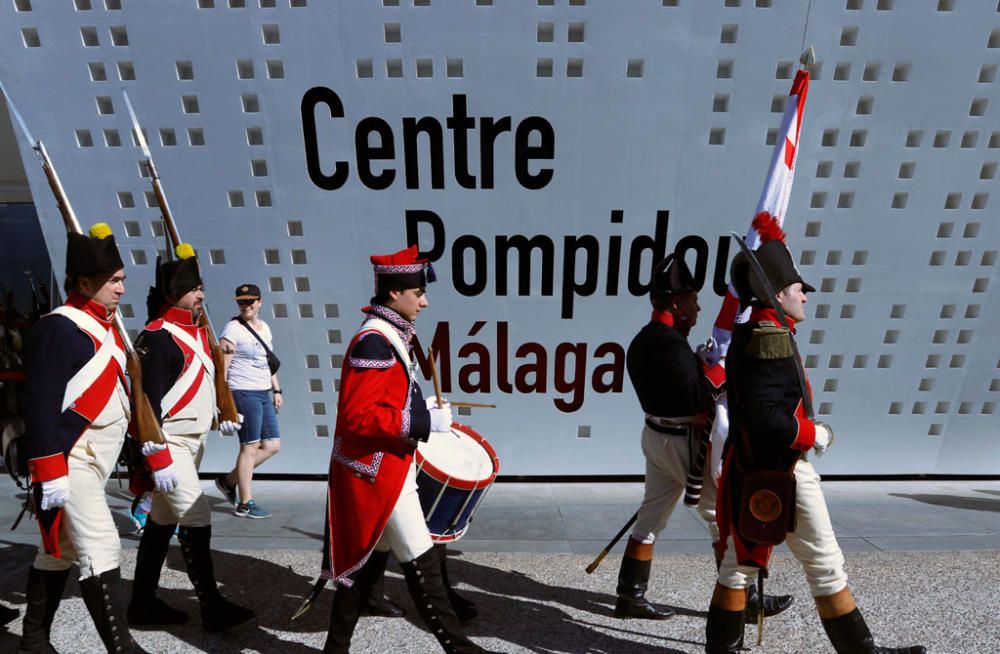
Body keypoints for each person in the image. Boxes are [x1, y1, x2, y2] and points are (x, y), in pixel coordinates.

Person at [705, 234, 925, 654]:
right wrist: (815, 435)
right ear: (777, 293)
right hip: (781, 469)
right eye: (797, 288)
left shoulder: (762, 330)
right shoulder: (768, 336)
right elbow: (767, 420)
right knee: (823, 564)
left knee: (739, 565)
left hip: (755, 466)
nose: (804, 294)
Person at [321, 245, 496, 654]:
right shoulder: (374, 342)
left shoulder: (390, 334)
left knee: (361, 567)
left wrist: (422, 407)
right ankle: (460, 648)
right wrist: (421, 422)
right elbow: (357, 418)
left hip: (385, 466)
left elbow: (387, 398)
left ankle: (335, 649)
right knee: (424, 561)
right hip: (377, 471)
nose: (424, 300)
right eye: (418, 292)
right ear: (394, 293)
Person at [612, 253, 793, 622]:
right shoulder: (667, 344)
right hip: (683, 443)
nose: (698, 308)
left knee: (650, 518)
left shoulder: (648, 339)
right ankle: (742, 603)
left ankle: (629, 595)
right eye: (693, 300)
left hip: (658, 437)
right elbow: (698, 397)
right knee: (722, 520)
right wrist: (727, 364)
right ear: (676, 302)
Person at [19, 224, 148, 653]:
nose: (122, 290)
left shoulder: (107, 328)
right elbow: (39, 403)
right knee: (102, 545)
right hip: (71, 460)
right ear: (85, 282)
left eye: (122, 280)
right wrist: (49, 469)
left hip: (95, 460)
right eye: (114, 281)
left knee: (61, 551)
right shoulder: (59, 328)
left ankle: (34, 641)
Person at [126, 243, 253, 632]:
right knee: (197, 515)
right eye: (194, 288)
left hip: (193, 444)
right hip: (170, 446)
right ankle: (212, 607)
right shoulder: (158, 337)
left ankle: (142, 603)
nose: (201, 295)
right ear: (174, 293)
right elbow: (145, 406)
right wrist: (157, 459)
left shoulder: (196, 333)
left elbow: (197, 387)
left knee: (162, 520)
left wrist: (220, 415)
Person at [214, 283, 282, 519]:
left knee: (272, 445)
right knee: (249, 446)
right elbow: (223, 369)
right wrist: (223, 401)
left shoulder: (265, 328)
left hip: (263, 392)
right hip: (243, 391)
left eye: (251, 301)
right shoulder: (232, 330)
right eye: (242, 301)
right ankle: (245, 502)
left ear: (260, 302)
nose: (246, 305)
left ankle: (228, 480)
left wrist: (277, 390)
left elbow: (268, 361)